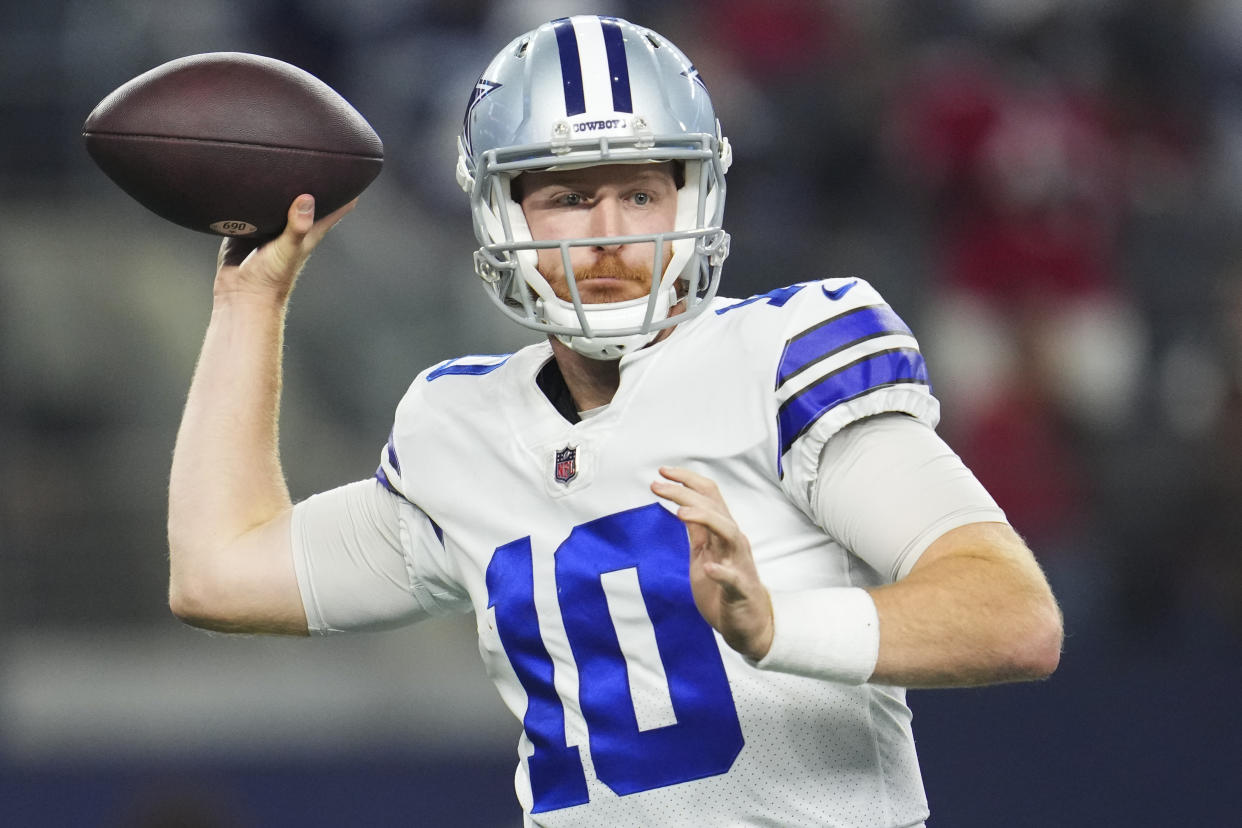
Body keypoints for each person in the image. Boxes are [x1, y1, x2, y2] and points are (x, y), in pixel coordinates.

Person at [167, 15, 1062, 827]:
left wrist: (778, 628)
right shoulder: (461, 425)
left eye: (639, 193)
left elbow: (1013, 616)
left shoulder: (785, 358)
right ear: (498, 210)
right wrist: (253, 297)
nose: (606, 233)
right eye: (564, 195)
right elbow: (218, 574)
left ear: (694, 198)